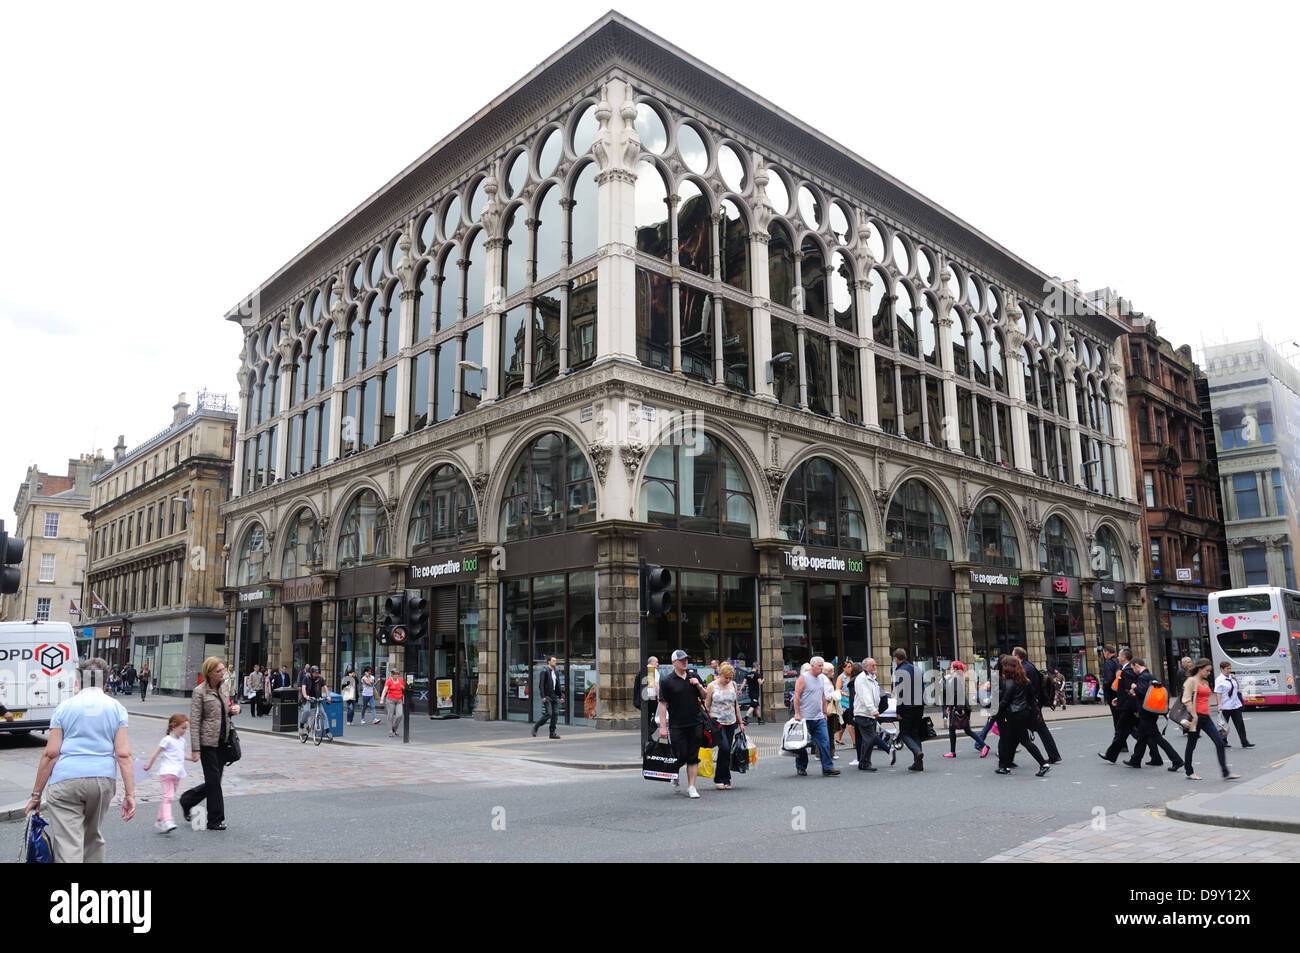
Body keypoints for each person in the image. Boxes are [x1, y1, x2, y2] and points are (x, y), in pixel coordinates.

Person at [25, 658, 136, 862]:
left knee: (69, 842)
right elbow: (123, 754)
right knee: (92, 835)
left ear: (78, 681)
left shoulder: (64, 708)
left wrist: (36, 795)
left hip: (66, 781)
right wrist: (130, 794)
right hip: (102, 780)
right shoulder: (116, 708)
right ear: (105, 682)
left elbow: (51, 754)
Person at [178, 657, 241, 831]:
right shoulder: (199, 692)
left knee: (214, 781)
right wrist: (196, 748)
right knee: (213, 781)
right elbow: (196, 721)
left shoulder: (224, 688)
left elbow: (225, 709)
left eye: (223, 670)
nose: (223, 673)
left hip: (223, 741)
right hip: (207, 743)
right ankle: (215, 819)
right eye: (219, 671)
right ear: (210, 673)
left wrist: (235, 709)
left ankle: (188, 799)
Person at [657, 649, 708, 797]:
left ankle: (691, 787)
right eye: (681, 660)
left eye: (686, 659)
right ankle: (675, 773)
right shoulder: (667, 681)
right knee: (681, 754)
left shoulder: (694, 676)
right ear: (674, 663)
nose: (685, 662)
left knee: (693, 755)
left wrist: (698, 685)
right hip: (677, 724)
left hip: (696, 722)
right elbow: (662, 704)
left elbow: (705, 696)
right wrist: (663, 727)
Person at [992, 655, 1050, 777]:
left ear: (1009, 667)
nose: (1003, 668)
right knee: (1011, 740)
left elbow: (1005, 701)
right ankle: (1005, 766)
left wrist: (994, 713)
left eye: (1004, 665)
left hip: (1013, 715)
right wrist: (1035, 715)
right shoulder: (1026, 681)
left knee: (1025, 741)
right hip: (1024, 714)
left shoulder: (1009, 683)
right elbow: (1032, 700)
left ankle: (1043, 764)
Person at [1183, 658, 1239, 781]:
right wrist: (1193, 715)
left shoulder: (1205, 682)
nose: (1209, 673)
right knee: (1191, 745)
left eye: (1210, 671)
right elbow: (1186, 699)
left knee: (1219, 742)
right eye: (1207, 671)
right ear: (1200, 668)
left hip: (1206, 717)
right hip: (1196, 717)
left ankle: (1225, 772)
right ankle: (1189, 771)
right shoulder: (1191, 681)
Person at [1123, 659, 1183, 772]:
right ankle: (1135, 760)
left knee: (1157, 737)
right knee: (1142, 736)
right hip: (1152, 711)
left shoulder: (1142, 677)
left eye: (1132, 668)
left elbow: (1141, 692)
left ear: (1136, 665)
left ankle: (1177, 760)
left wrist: (1134, 687)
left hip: (1146, 712)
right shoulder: (1151, 676)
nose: (1133, 670)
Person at [791, 656, 840, 777]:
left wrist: (824, 713)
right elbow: (796, 696)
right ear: (812, 666)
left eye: (822, 666)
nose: (822, 668)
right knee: (802, 744)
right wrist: (797, 713)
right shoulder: (803, 678)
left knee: (825, 741)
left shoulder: (822, 678)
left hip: (818, 717)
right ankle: (801, 767)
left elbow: (823, 696)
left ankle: (827, 767)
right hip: (804, 718)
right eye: (819, 666)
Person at [1013, 647, 1062, 764]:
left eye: (1012, 655)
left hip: (1029, 705)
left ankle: (1007, 759)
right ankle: (1054, 755)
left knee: (1026, 730)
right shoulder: (1030, 666)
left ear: (1017, 656)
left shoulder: (1024, 669)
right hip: (1034, 704)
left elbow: (1026, 688)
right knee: (1024, 731)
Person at [143, 713, 189, 832]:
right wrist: (148, 765)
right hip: (167, 772)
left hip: (177, 773)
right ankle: (168, 820)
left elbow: (180, 754)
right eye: (182, 728)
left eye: (186, 728)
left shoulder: (182, 741)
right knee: (168, 796)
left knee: (168, 797)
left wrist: (192, 758)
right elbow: (156, 753)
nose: (184, 731)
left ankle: (159, 821)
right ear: (173, 727)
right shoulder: (167, 740)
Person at [704, 662, 744, 790]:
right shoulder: (711, 686)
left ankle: (724, 779)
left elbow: (736, 704)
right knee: (725, 748)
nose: (728, 680)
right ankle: (721, 778)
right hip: (717, 723)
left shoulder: (733, 685)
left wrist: (741, 722)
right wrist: (706, 723)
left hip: (731, 722)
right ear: (720, 674)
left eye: (730, 678)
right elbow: (707, 706)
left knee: (725, 751)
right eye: (726, 677)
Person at [852, 658, 894, 770]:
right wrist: (873, 709)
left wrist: (876, 708)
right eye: (872, 665)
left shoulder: (871, 678)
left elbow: (875, 694)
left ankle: (864, 763)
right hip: (863, 713)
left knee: (868, 739)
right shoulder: (861, 679)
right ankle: (865, 762)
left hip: (869, 713)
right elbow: (864, 695)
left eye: (875, 665)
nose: (875, 667)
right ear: (865, 667)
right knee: (870, 738)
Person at [1099, 648, 1139, 763]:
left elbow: (1128, 689)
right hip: (1123, 702)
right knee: (1124, 730)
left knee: (1122, 728)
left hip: (1126, 705)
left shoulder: (1125, 669)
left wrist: (1106, 692)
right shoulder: (1123, 667)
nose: (1118, 657)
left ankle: (1112, 754)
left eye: (1120, 655)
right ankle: (1113, 754)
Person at [892, 648, 924, 772]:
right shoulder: (916, 669)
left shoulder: (900, 671)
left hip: (907, 707)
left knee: (904, 733)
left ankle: (917, 752)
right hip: (919, 705)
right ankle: (918, 763)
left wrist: (898, 711)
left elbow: (899, 693)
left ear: (896, 659)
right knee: (915, 733)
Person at [941, 661, 982, 757]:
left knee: (961, 729)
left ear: (955, 669)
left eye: (951, 667)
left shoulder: (956, 678)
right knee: (961, 730)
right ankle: (952, 752)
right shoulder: (959, 678)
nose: (950, 669)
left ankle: (984, 745)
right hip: (962, 707)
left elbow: (955, 694)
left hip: (959, 708)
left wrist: (950, 707)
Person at [1214, 661, 1254, 748]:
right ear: (1222, 669)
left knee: (1240, 725)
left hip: (1235, 705)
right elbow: (1218, 693)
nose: (1229, 670)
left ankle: (1245, 742)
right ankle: (1222, 742)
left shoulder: (1231, 677)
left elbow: (1237, 688)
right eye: (1227, 669)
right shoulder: (1219, 680)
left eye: (1230, 668)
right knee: (1223, 726)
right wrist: (1219, 705)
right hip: (1225, 706)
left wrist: (1235, 679)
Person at [1100, 644, 1125, 751]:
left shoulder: (1109, 663)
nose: (1104, 655)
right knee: (1122, 719)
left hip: (1113, 695)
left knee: (1119, 720)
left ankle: (1120, 745)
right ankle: (1122, 745)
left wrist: (1103, 689)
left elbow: (1108, 679)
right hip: (1122, 694)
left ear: (1106, 652)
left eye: (1103, 653)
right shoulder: (1119, 662)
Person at [532, 656, 562, 739]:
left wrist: (560, 696)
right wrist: (543, 696)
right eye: (553, 661)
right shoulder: (544, 671)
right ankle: (536, 726)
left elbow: (557, 685)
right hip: (547, 696)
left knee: (555, 714)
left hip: (554, 696)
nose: (555, 662)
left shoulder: (556, 672)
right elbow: (541, 685)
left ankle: (552, 733)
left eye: (555, 661)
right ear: (549, 662)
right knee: (549, 713)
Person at [299, 665, 327, 738]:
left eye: (317, 672)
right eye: (315, 672)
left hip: (317, 699)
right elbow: (303, 687)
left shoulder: (320, 678)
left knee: (323, 713)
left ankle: (328, 731)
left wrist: (328, 696)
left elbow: (325, 687)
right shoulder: (306, 677)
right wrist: (305, 696)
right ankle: (301, 725)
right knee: (307, 711)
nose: (316, 674)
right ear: (311, 672)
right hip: (308, 699)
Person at [834, 661, 856, 749]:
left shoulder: (853, 676)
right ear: (844, 668)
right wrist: (845, 694)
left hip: (851, 701)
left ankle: (838, 738)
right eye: (848, 667)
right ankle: (854, 742)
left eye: (851, 667)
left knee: (844, 722)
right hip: (844, 702)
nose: (850, 668)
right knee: (849, 722)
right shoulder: (841, 677)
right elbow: (837, 689)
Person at [381, 668, 406, 738]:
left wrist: (404, 699)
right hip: (390, 700)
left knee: (400, 715)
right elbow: (385, 690)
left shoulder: (401, 680)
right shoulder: (388, 681)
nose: (397, 676)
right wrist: (382, 699)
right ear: (392, 675)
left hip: (399, 700)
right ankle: (390, 730)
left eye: (398, 674)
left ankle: (394, 728)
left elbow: (403, 690)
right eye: (395, 674)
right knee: (390, 716)